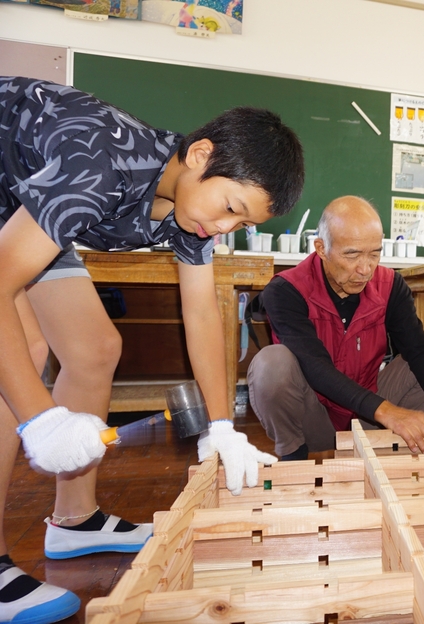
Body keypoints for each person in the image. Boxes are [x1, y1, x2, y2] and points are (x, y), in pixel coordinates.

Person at [0, 77, 303, 624]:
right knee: (18, 353)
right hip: (10, 183)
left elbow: (202, 311)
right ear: (200, 155)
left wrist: (220, 427)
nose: (225, 226)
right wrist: (38, 420)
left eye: (244, 222)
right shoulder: (99, 165)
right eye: (230, 206)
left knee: (93, 349)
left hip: (22, 192)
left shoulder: (193, 211)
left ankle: (73, 522)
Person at [247, 196, 424, 457]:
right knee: (271, 364)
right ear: (321, 248)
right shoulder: (287, 289)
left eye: (375, 254)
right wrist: (388, 411)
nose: (365, 269)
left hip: (369, 416)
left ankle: (386, 449)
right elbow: (315, 366)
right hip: (315, 418)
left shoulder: (390, 285)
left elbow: (418, 349)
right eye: (352, 255)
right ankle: (294, 457)